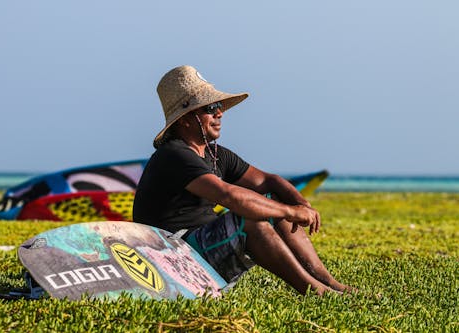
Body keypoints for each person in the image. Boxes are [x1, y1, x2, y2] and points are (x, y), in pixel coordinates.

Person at [133, 65, 353, 295]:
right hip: (173, 255)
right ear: (184, 120)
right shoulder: (174, 155)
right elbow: (229, 196)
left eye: (218, 106)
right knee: (252, 219)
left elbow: (269, 182)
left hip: (203, 247)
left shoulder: (215, 153)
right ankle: (315, 291)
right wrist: (290, 212)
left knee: (271, 201)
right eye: (209, 108)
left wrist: (301, 204)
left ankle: (330, 283)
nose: (219, 113)